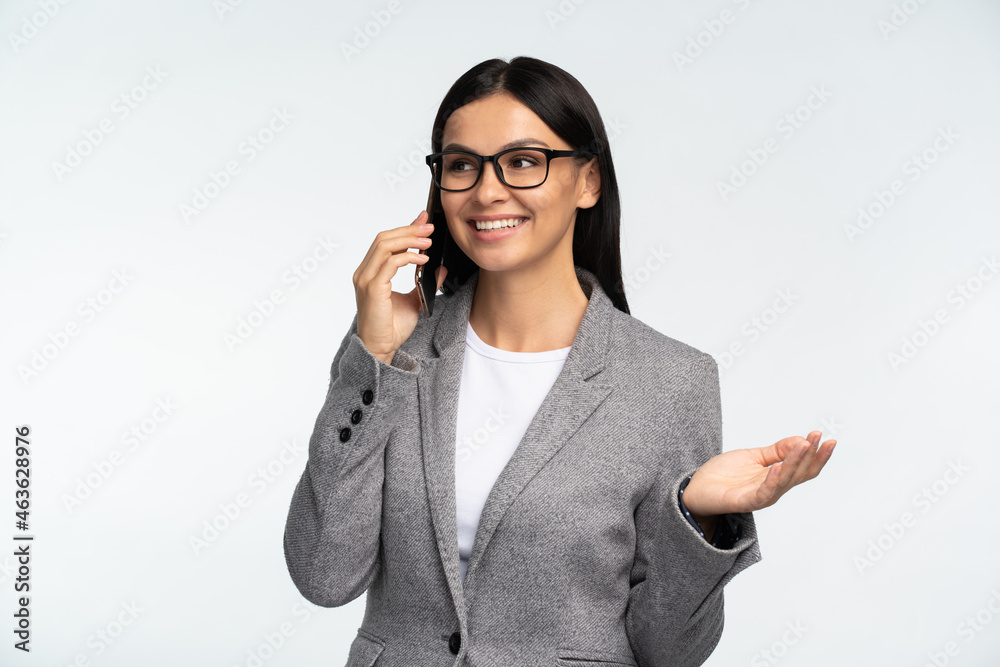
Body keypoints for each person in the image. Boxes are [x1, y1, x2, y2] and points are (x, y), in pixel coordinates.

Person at [283, 56, 836, 667]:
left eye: (523, 161)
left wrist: (695, 519)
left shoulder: (671, 381)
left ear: (588, 181)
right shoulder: (396, 355)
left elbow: (671, 652)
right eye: (462, 165)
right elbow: (323, 574)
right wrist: (374, 356)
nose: (488, 190)